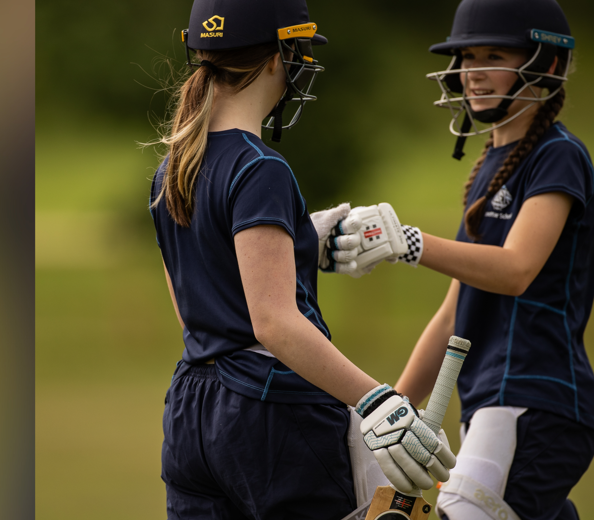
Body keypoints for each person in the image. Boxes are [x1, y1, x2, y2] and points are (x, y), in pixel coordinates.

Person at [147, 1, 455, 518]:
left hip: (189, 411)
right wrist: (378, 401)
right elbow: (272, 323)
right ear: (277, 59)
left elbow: (194, 307)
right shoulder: (260, 166)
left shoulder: (171, 166)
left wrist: (298, 240)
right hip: (271, 415)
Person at [325, 1, 594, 519]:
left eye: (492, 56)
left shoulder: (558, 155)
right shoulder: (485, 172)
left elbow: (517, 269)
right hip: (494, 400)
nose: (472, 73)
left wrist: (410, 243)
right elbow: (456, 311)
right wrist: (393, 412)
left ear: (547, 63)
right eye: (467, 58)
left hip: (536, 397)